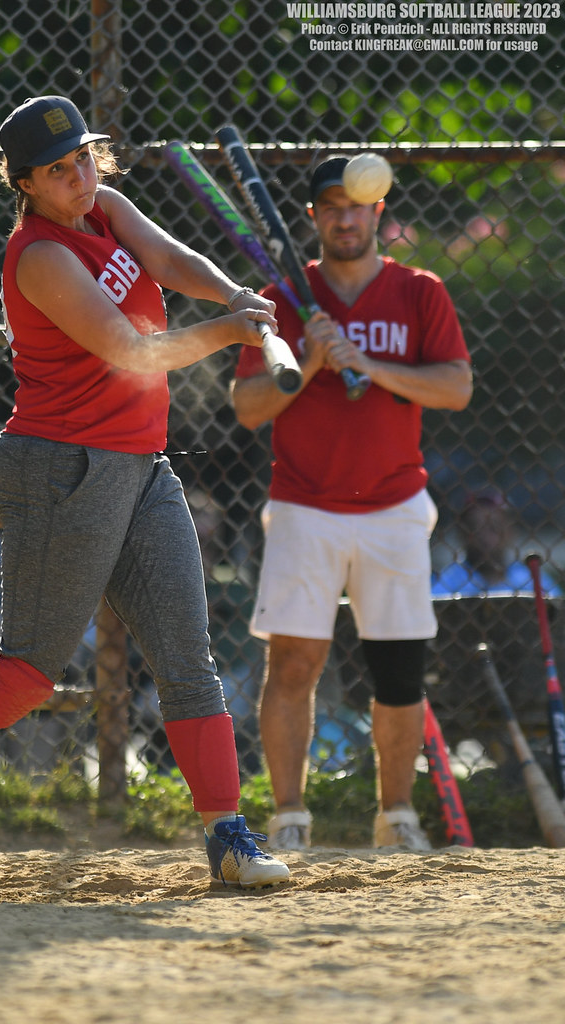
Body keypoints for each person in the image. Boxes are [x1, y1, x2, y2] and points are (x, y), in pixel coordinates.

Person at [0, 94, 290, 893]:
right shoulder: (40, 256)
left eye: (84, 157)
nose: (79, 177)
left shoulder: (108, 207)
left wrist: (233, 295)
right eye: (57, 171)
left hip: (140, 464)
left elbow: (172, 262)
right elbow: (132, 353)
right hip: (59, 468)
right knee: (29, 669)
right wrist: (231, 333)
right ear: (22, 183)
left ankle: (227, 836)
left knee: (187, 660)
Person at [231, 155, 473, 852]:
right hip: (305, 505)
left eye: (357, 206)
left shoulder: (419, 292)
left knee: (397, 671)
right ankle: (290, 818)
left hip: (395, 507)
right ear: (312, 218)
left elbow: (455, 387)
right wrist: (307, 361)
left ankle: (396, 816)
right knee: (294, 665)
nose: (344, 218)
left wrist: (369, 365)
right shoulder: (281, 297)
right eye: (330, 206)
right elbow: (247, 407)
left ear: (378, 213)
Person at [432, 488, 561, 597]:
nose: (485, 537)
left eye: (494, 528)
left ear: (511, 531)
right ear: (462, 534)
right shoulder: (446, 583)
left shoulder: (529, 580)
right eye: (475, 528)